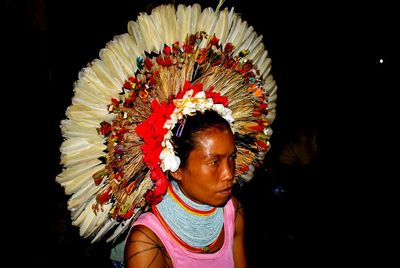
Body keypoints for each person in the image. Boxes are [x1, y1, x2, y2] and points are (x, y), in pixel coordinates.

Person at [56, 3, 277, 268]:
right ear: (176, 169)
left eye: (231, 158)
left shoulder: (233, 212)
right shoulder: (148, 243)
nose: (229, 173)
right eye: (214, 162)